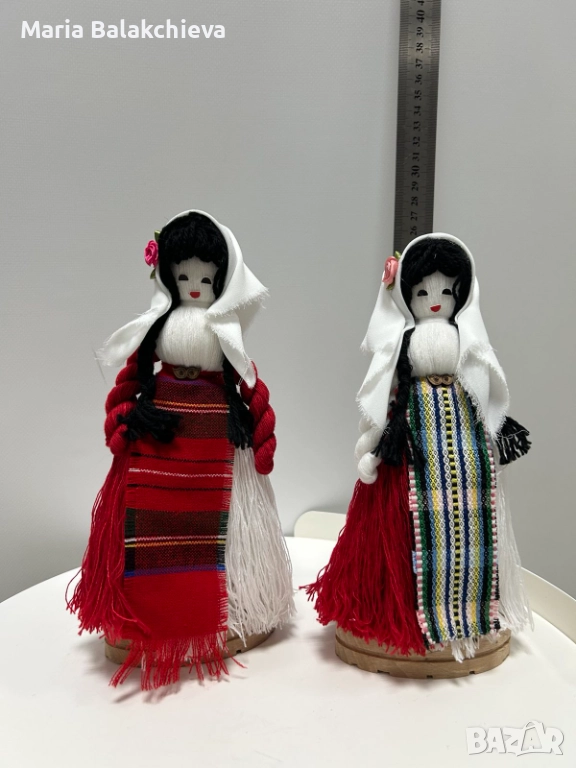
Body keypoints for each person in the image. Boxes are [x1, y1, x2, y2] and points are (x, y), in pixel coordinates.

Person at [68, 210, 294, 689]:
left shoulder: (224, 332)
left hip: (219, 434)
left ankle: (232, 605)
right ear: (169, 277)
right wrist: (121, 423)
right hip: (160, 430)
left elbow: (249, 383)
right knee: (144, 513)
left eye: (206, 279)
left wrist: (262, 439)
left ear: (221, 282)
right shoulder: (158, 327)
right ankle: (144, 610)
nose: (195, 287)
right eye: (185, 277)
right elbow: (131, 377)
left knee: (227, 525)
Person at [307, 233, 532, 662]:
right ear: (406, 296)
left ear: (461, 296)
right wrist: (369, 445)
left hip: (465, 442)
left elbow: (486, 391)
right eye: (423, 292)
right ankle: (402, 609)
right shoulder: (402, 344)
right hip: (409, 443)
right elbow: (382, 399)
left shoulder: (467, 340)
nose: (434, 301)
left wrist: (496, 432)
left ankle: (472, 606)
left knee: (473, 513)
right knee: (402, 525)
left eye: (446, 292)